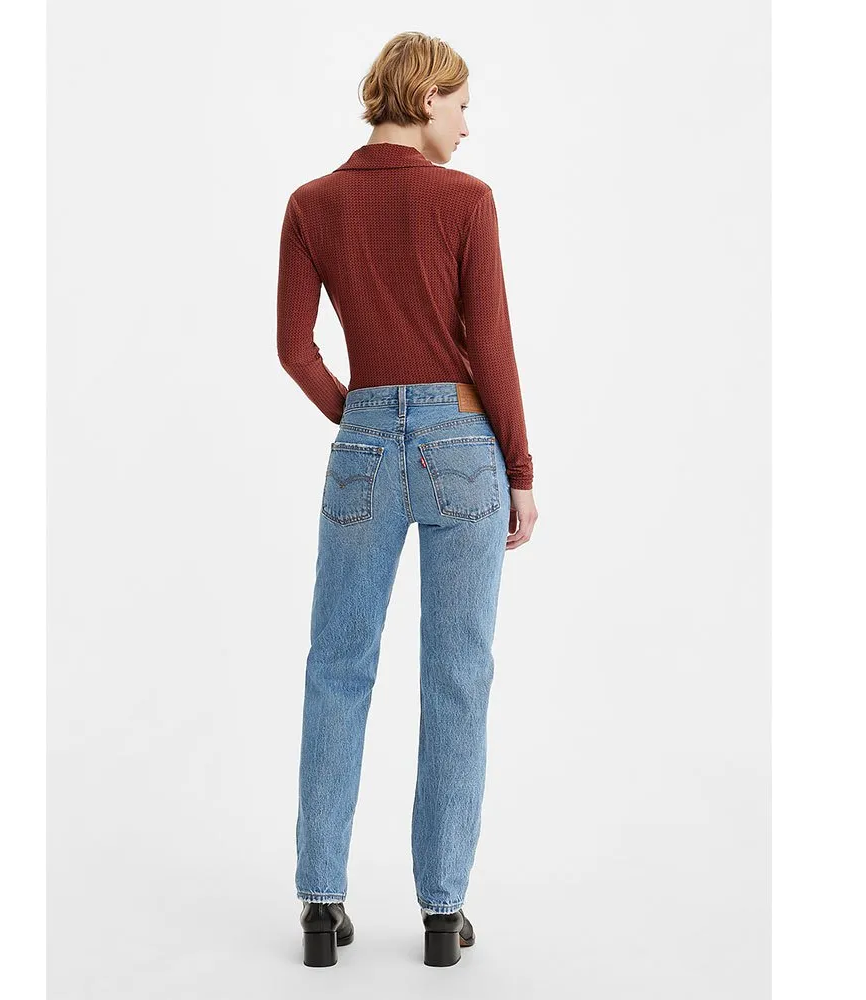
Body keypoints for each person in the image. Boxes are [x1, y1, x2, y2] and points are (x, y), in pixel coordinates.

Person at [276, 30, 538, 968]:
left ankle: (321, 903)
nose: (467, 126)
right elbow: (491, 345)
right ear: (426, 98)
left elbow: (295, 349)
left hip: (362, 446)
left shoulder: (311, 203)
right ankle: (440, 914)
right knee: (458, 673)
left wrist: (359, 416)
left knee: (337, 666)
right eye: (460, 105)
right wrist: (520, 471)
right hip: (462, 443)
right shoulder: (466, 201)